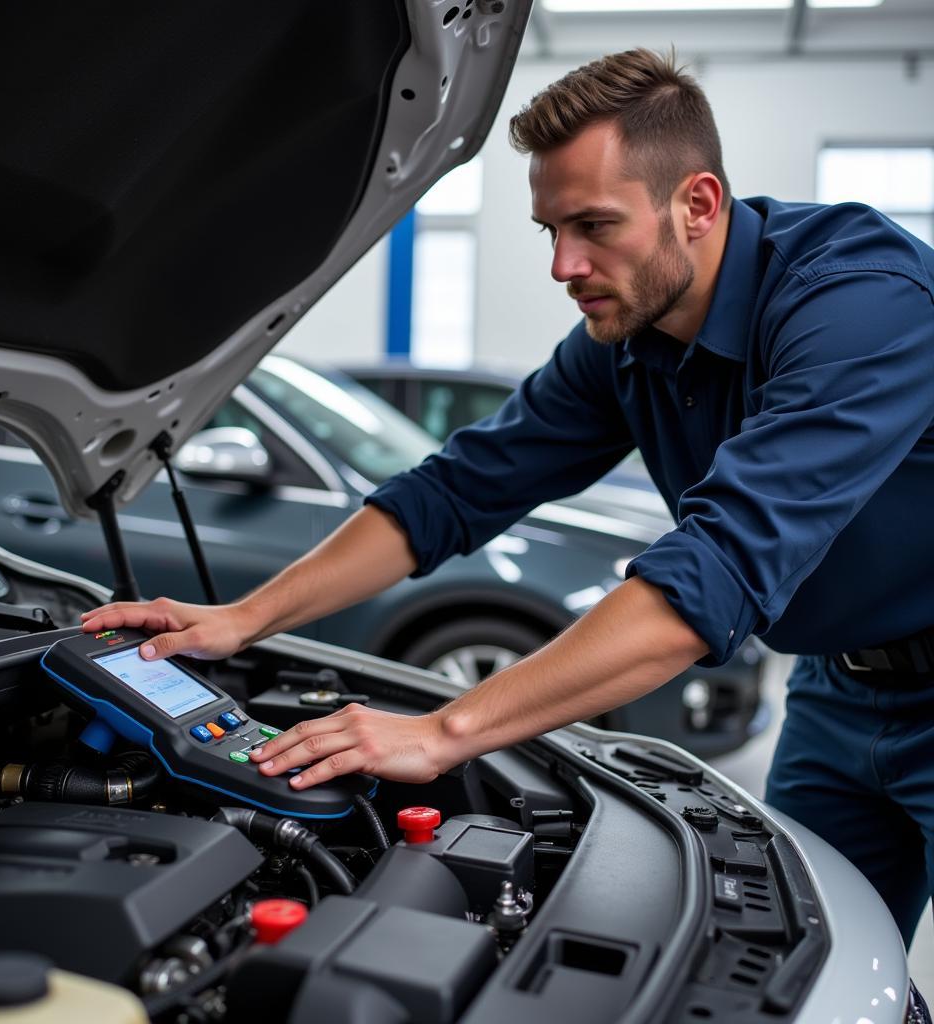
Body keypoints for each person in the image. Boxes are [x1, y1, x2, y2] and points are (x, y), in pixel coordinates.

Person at [82, 50, 934, 945]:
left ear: (698, 204)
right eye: (550, 230)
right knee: (819, 960)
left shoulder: (859, 302)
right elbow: (453, 492)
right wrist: (245, 619)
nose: (566, 265)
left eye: (596, 226)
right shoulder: (623, 338)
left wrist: (446, 732)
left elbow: (717, 569)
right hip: (839, 691)